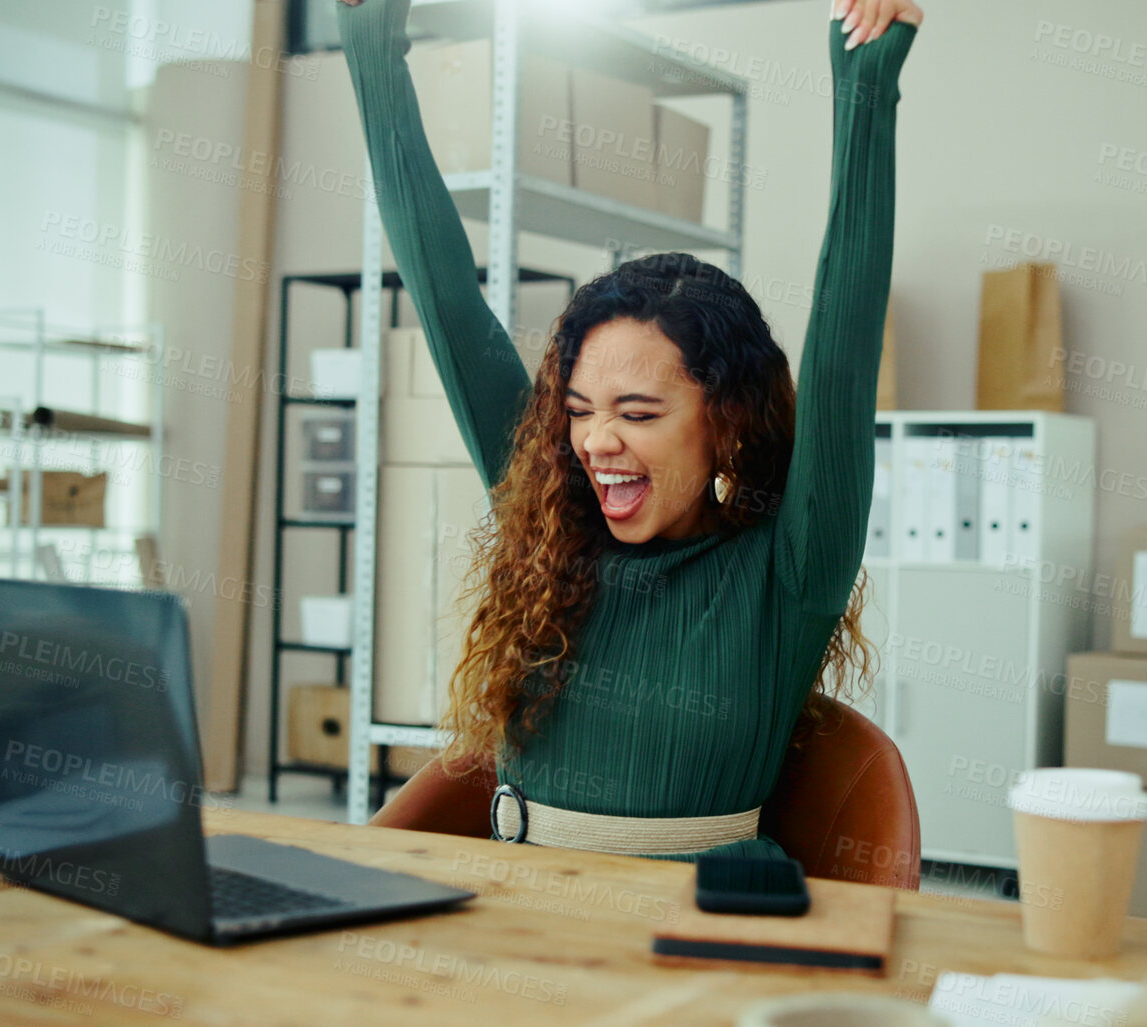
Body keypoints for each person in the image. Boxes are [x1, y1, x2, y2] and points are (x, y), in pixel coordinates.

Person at [334, 0, 920, 862]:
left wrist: (862, 84)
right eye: (578, 411)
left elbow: (844, 329)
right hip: (504, 914)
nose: (595, 442)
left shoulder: (785, 572)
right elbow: (443, 289)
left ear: (725, 421)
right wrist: (367, 37)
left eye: (638, 413)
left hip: (672, 951)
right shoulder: (551, 519)